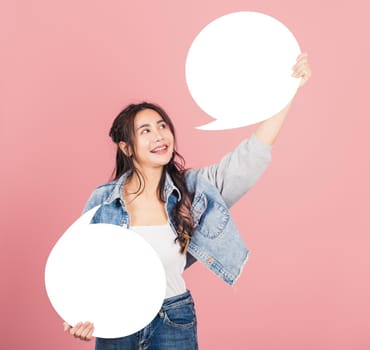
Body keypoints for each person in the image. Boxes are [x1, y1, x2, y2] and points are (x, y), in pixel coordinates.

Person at [63, 53, 311, 349]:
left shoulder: (195, 190)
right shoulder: (103, 201)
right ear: (126, 146)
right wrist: (75, 313)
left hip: (173, 318)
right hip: (118, 319)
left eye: (162, 126)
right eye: (146, 131)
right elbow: (83, 265)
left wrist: (289, 89)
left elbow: (251, 157)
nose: (159, 135)